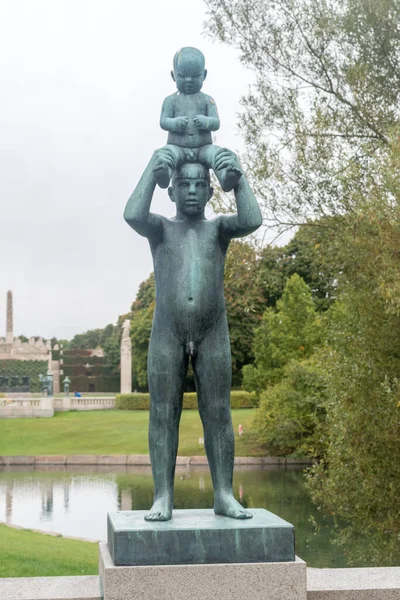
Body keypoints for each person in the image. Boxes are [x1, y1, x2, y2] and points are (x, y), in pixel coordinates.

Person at [124, 146, 262, 521]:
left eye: (200, 184)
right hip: (167, 331)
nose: (190, 190)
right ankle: (163, 497)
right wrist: (155, 166)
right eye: (183, 183)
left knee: (218, 412)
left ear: (209, 190)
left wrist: (236, 175)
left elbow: (252, 218)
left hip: (211, 330)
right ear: (172, 190)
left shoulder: (217, 229)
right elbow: (132, 213)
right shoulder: (161, 229)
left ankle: (222, 494)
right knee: (163, 414)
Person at [155, 47, 242, 192]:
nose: (189, 80)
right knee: (167, 154)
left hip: (204, 148)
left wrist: (206, 121)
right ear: (173, 75)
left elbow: (216, 123)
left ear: (204, 75)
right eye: (182, 76)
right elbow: (163, 121)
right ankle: (164, 174)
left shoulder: (208, 100)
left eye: (195, 76)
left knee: (217, 154)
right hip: (178, 147)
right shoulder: (170, 100)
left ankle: (226, 176)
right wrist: (175, 123)